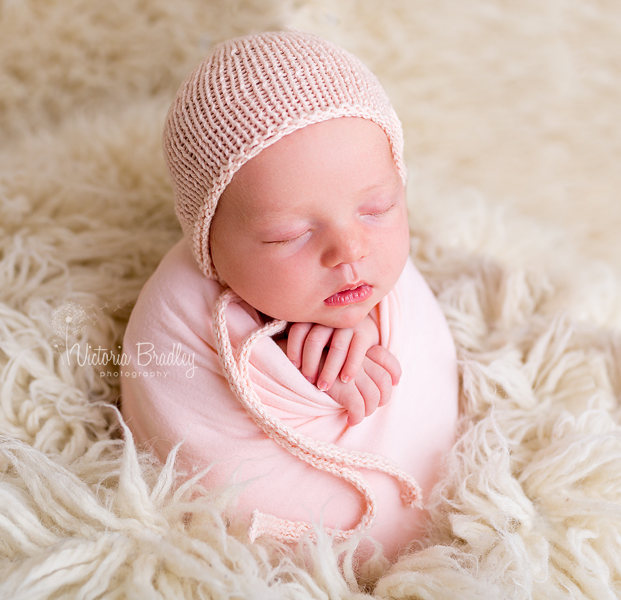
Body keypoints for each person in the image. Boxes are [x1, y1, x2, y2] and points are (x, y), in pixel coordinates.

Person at [120, 30, 458, 560]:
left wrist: (361, 323)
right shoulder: (177, 319)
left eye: (378, 209)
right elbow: (201, 465)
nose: (349, 249)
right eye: (288, 235)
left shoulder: (373, 266)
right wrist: (296, 374)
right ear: (210, 244)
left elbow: (424, 372)